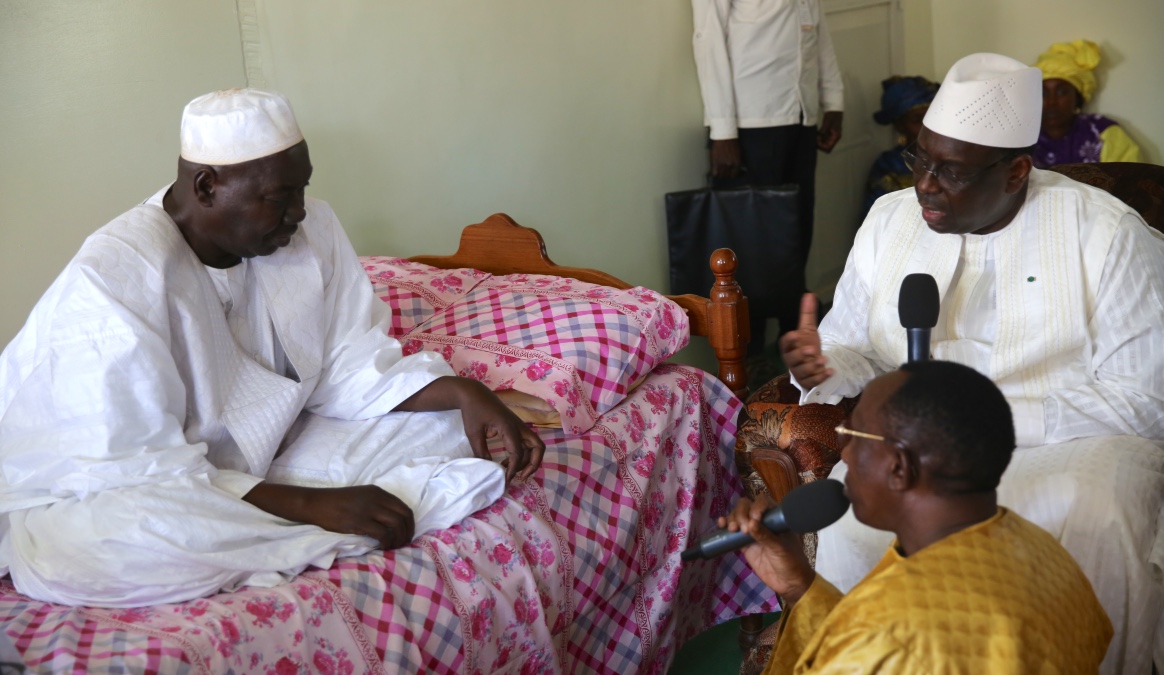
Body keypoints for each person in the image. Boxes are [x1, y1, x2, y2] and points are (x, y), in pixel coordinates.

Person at [0, 89, 545, 608]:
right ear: (208, 187)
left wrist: (461, 391)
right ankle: (310, 518)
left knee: (448, 428)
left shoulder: (309, 233)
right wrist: (315, 505)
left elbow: (347, 361)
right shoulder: (115, 276)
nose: (300, 212)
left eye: (301, 189)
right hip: (113, 484)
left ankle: (294, 514)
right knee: (119, 538)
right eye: (278, 197)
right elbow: (130, 468)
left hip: (257, 455)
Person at [779, 53, 1164, 673]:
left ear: (1015, 171)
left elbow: (1146, 399)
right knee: (851, 520)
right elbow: (857, 349)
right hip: (922, 447)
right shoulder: (888, 220)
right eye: (920, 159)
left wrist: (981, 420)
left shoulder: (1105, 233)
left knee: (1098, 513)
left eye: (951, 172)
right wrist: (822, 363)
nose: (925, 186)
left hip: (1076, 438)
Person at [723, 361, 1112, 673]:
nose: (844, 454)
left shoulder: (886, 632)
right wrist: (801, 588)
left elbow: (876, 644)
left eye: (854, 436)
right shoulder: (1048, 555)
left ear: (899, 468)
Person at [690, 0, 844, 353]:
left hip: (801, 117)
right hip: (751, 125)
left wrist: (832, 99)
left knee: (796, 233)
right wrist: (723, 131)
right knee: (749, 246)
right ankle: (750, 351)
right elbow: (708, 42)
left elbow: (817, 32)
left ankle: (795, 339)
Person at [1033, 39, 1142, 169]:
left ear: (1078, 98)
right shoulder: (1021, 138)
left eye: (1062, 92)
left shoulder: (1103, 134)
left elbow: (1131, 181)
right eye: (1043, 93)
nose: (1051, 101)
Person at [859, 76, 938, 222]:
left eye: (932, 115)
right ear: (899, 126)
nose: (927, 125)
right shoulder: (888, 167)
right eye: (916, 120)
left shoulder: (953, 157)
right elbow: (874, 221)